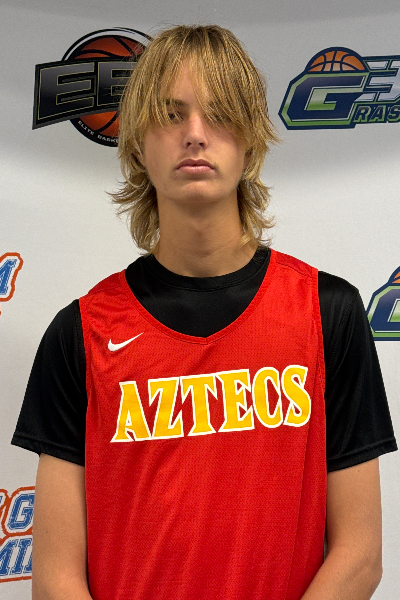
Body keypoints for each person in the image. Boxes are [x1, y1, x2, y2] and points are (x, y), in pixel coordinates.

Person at [12, 24, 397, 600]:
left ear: (250, 140)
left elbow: (360, 557)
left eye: (217, 114)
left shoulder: (327, 313)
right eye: (170, 115)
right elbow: (54, 581)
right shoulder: (81, 332)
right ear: (137, 146)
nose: (194, 134)